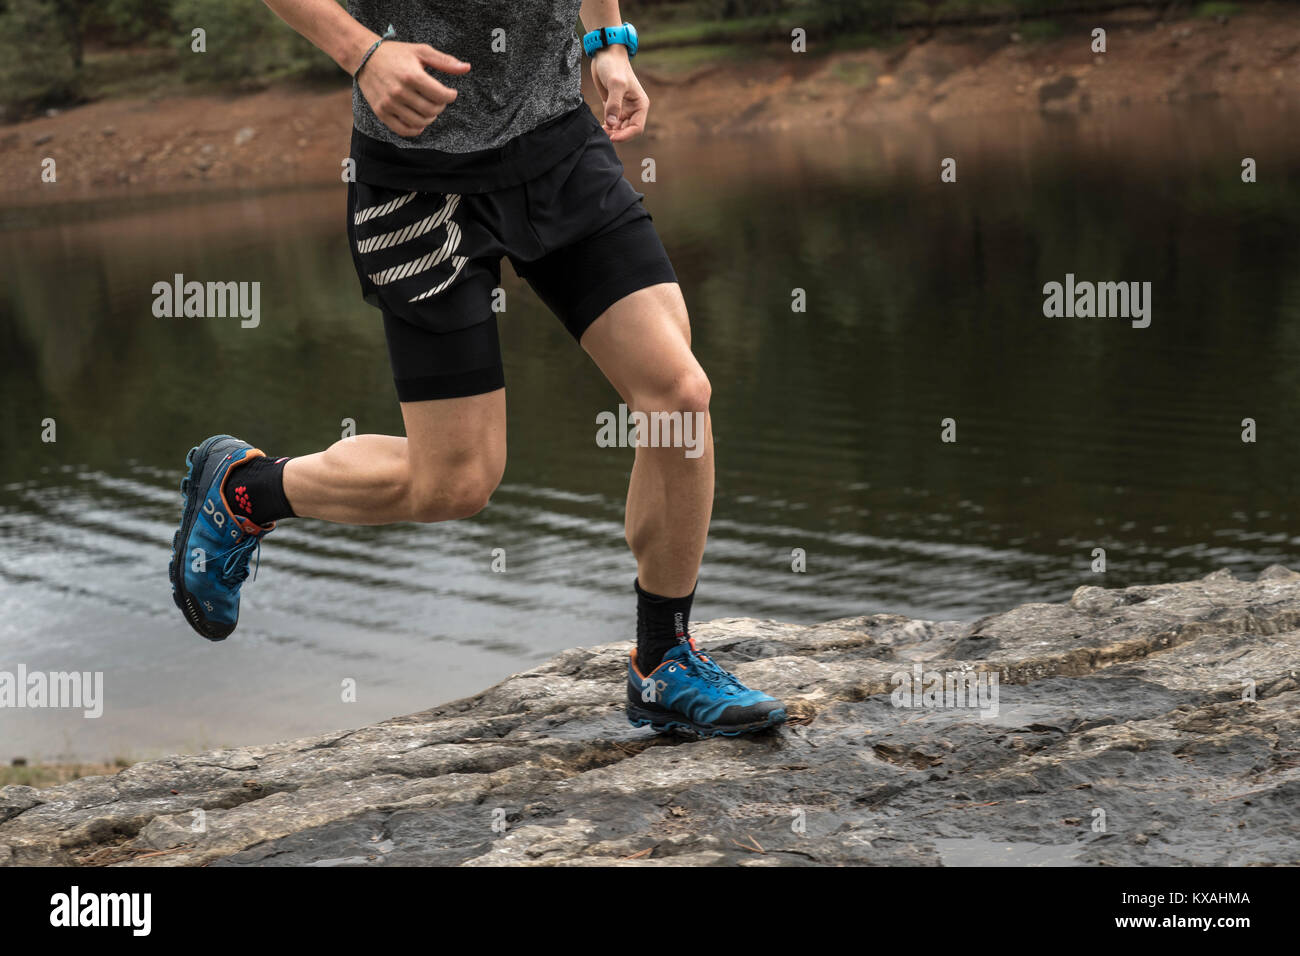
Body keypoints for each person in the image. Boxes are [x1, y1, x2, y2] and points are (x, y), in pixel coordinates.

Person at [169, 0, 786, 737]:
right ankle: (244, 491)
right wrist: (363, 54)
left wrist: (607, 42)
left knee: (678, 396)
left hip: (558, 148)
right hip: (416, 181)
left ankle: (663, 662)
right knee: (455, 482)